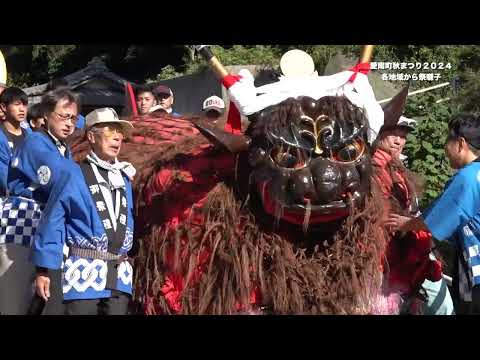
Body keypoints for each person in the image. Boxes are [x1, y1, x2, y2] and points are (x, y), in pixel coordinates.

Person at [32, 107, 136, 315]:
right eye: (109, 131)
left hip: (119, 276)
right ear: (91, 136)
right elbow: (53, 220)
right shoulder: (73, 173)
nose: (116, 138)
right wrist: (43, 270)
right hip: (83, 272)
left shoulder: (124, 178)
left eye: (119, 133)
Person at [387, 113, 480, 314]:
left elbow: (436, 218)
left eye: (448, 140)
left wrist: (405, 224)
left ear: (461, 143)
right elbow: (441, 207)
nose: (445, 148)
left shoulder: (468, 178)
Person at [1, 88, 81, 315]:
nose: (69, 123)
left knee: (43, 304)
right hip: (20, 229)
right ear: (46, 115)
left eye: (73, 118)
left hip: (46, 232)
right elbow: (61, 177)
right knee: (14, 303)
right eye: (63, 116)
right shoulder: (35, 142)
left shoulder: (63, 147)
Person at [372, 113, 454, 315]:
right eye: (393, 134)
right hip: (386, 255)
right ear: (379, 133)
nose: (399, 141)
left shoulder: (397, 168)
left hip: (410, 251)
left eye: (403, 136)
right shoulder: (371, 168)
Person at [0, 87, 29, 193]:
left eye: (25, 104)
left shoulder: (31, 136)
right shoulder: (1, 138)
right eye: (17, 104)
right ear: (3, 107)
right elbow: (3, 178)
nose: (22, 109)